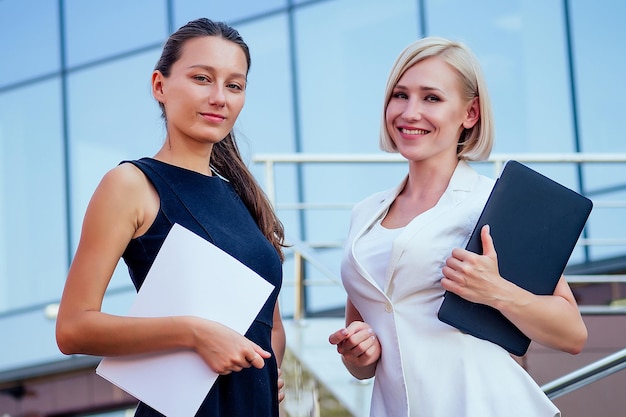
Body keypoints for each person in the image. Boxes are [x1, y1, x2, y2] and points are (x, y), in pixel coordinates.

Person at [328, 36, 588, 417]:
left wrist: (496, 291)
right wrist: (359, 353)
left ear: (470, 114)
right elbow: (364, 364)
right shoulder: (364, 215)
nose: (410, 112)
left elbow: (572, 334)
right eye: (400, 95)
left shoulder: (493, 204)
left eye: (431, 98)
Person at [56, 18, 286, 417]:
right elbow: (73, 328)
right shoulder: (131, 185)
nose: (219, 97)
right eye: (202, 78)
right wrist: (195, 333)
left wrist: (260, 370)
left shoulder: (245, 197)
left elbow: (272, 325)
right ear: (160, 86)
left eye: (234, 85)